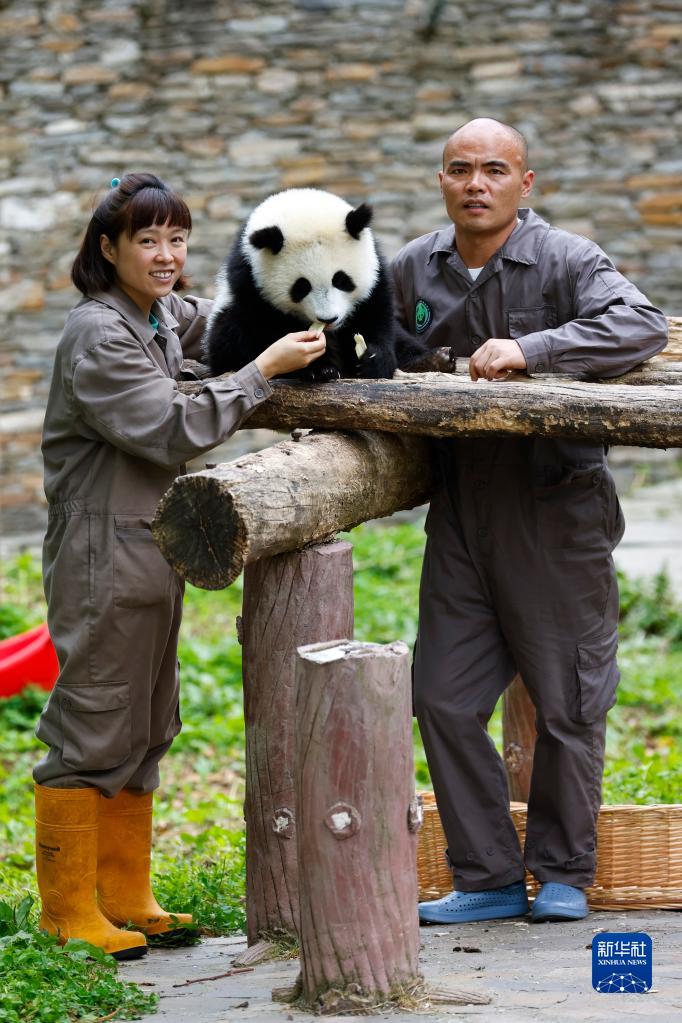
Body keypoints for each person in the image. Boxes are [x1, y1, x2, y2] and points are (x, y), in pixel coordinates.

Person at [33, 172, 326, 959]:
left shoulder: (157, 315)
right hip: (101, 551)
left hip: (147, 544)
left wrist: (306, 285)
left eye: (177, 239)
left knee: (148, 722)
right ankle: (67, 910)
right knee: (96, 719)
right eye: (147, 240)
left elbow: (223, 319)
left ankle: (124, 896)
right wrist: (261, 371)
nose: (166, 255)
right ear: (109, 248)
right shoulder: (99, 334)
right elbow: (169, 426)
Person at [392, 119, 668, 924]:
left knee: (569, 701)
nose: (475, 184)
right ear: (441, 181)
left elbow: (641, 324)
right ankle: (485, 875)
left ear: (526, 182)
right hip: (461, 514)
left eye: (494, 169)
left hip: (558, 511)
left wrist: (532, 348)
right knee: (442, 697)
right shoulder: (413, 268)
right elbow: (370, 339)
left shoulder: (568, 260)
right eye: (460, 169)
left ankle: (562, 872)